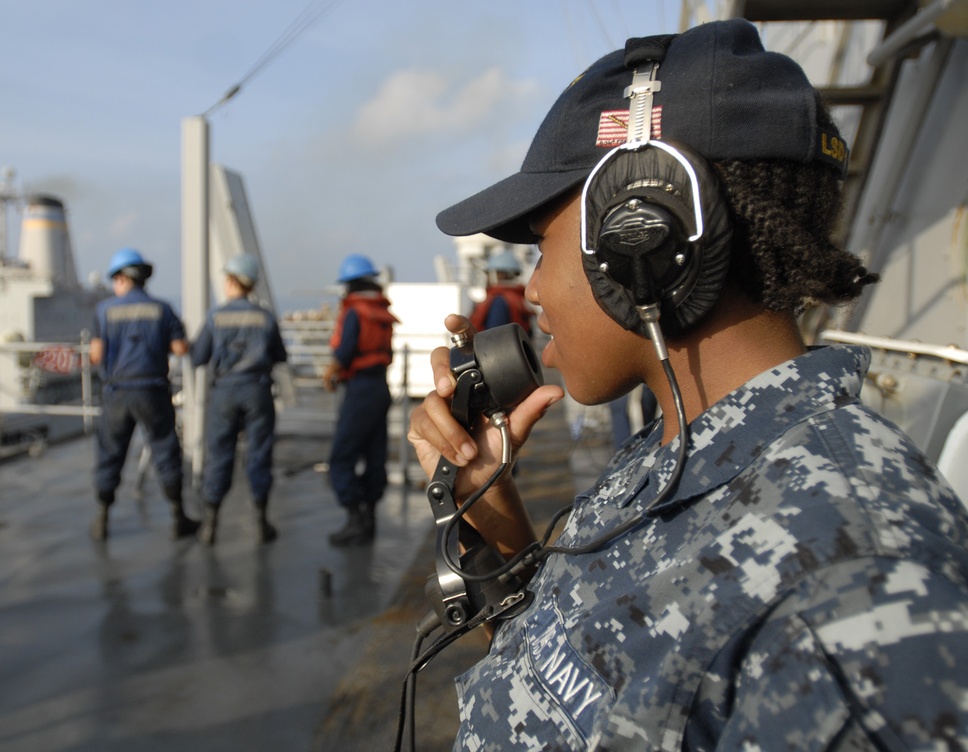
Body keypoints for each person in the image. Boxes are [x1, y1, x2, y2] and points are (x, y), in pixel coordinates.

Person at [409, 19, 968, 751]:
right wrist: (491, 513)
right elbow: (564, 682)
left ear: (645, 230)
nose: (533, 290)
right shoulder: (674, 452)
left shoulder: (853, 582)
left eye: (542, 247)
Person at [89, 248, 198, 541]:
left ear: (123, 278)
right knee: (164, 449)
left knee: (110, 453)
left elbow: (96, 355)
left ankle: (102, 519)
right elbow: (180, 349)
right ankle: (178, 517)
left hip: (117, 392)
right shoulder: (162, 308)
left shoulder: (103, 310)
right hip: (153, 391)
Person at [191, 253, 287, 545]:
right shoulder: (266, 317)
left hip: (224, 392)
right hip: (257, 391)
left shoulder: (215, 316)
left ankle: (210, 525)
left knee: (219, 455)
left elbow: (198, 356)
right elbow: (280, 356)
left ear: (232, 281)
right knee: (259, 455)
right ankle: (260, 523)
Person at [323, 254, 399, 547]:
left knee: (341, 457)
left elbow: (344, 352)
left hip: (360, 390)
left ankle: (355, 519)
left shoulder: (355, 312)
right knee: (374, 453)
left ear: (350, 285)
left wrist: (330, 372)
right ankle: (369, 518)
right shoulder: (380, 311)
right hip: (381, 387)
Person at [469, 250, 533, 336]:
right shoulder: (521, 300)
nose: (487, 279)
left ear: (498, 274)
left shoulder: (499, 301)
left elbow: (494, 335)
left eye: (489, 274)